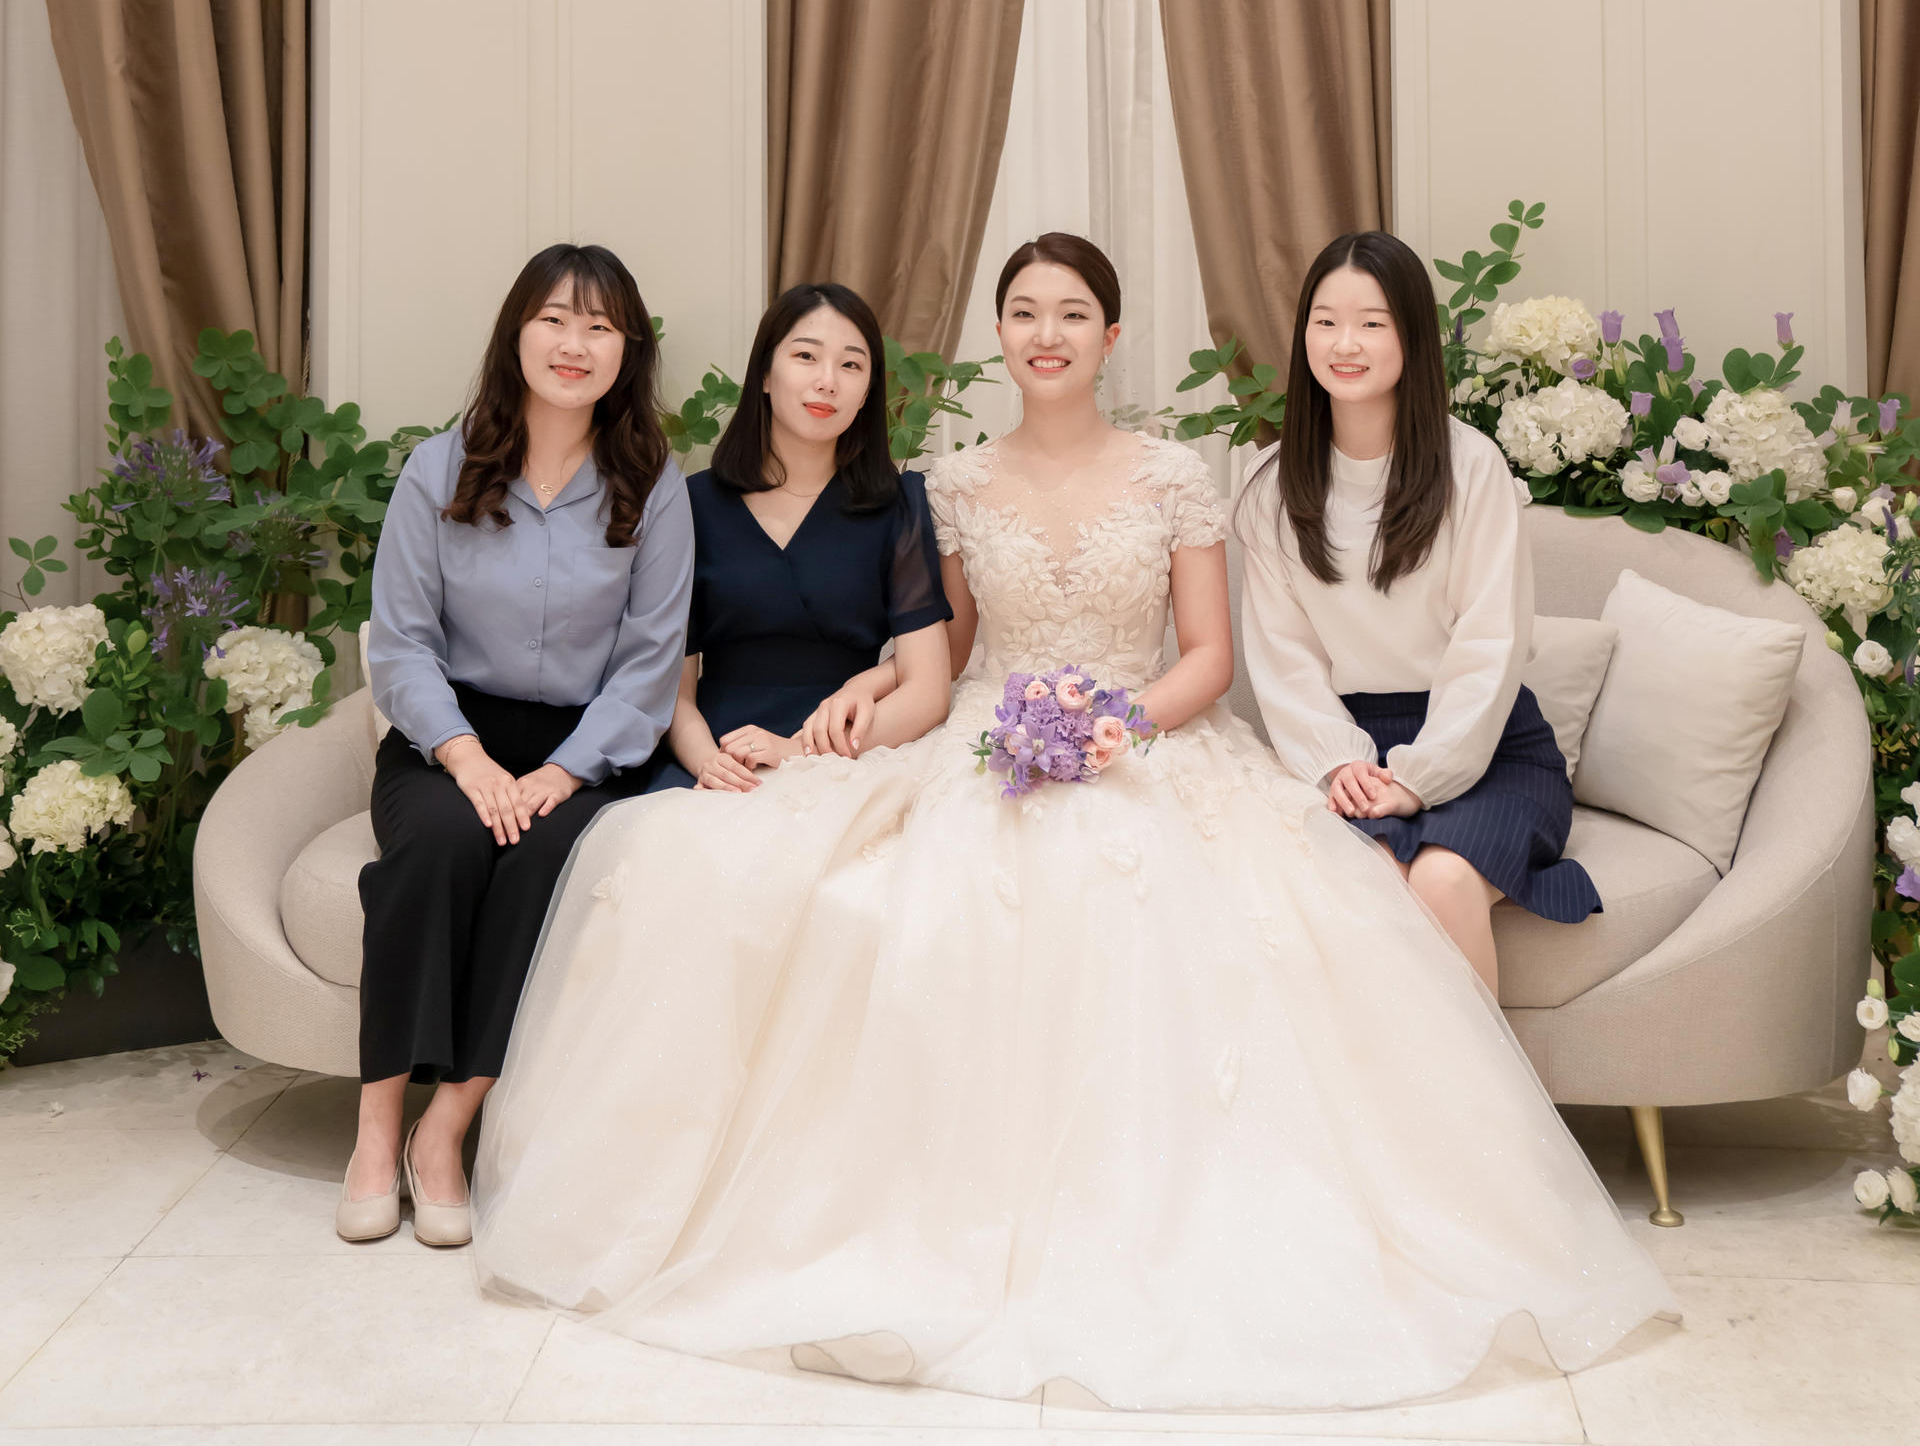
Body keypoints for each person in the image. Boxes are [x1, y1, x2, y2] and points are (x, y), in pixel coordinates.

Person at [471, 230, 1670, 1411]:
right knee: (859, 896)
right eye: (1025, 313)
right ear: (999, 333)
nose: (1047, 334)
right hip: (986, 736)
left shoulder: (1178, 477)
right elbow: (943, 653)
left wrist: (1119, 727)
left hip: (1145, 734)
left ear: (1110, 334)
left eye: (1072, 314)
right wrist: (864, 700)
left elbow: (1210, 658)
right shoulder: (955, 484)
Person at [338, 242, 693, 1247]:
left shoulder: (654, 485)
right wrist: (466, 757)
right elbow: (401, 644)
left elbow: (652, 660)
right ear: (517, 334)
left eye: (600, 326)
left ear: (627, 351)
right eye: (554, 319)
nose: (575, 344)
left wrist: (565, 771)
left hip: (586, 750)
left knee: (546, 863)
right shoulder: (438, 468)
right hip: (447, 737)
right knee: (440, 846)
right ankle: (376, 1127)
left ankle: (443, 1132)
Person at [1235, 230, 1598, 993]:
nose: (1345, 344)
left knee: (1441, 879)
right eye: (1326, 322)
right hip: (1352, 748)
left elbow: (1491, 644)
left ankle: (1482, 1080)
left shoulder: (1472, 467)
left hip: (1487, 744)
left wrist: (1421, 775)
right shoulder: (1271, 487)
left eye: (1372, 323)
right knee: (1360, 875)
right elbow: (1284, 656)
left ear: (1412, 336)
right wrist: (1340, 761)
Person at [650, 280, 951, 792]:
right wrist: (708, 763)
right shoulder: (691, 503)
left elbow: (927, 692)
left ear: (866, 393)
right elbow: (672, 692)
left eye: (851, 365)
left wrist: (799, 754)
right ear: (765, 374)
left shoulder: (899, 504)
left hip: (847, 760)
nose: (827, 381)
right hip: (716, 756)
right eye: (806, 356)